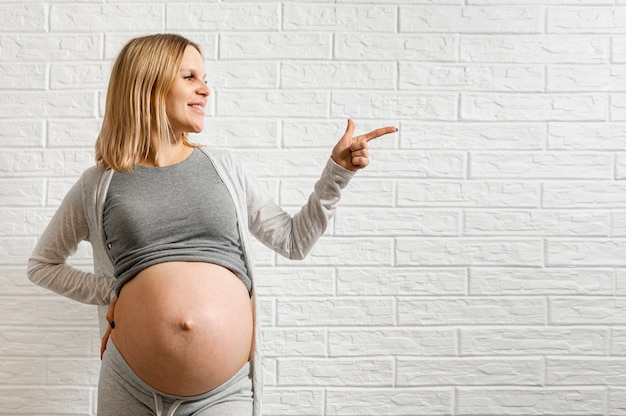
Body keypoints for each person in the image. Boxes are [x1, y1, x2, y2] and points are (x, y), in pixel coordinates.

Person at [27, 33, 397, 416]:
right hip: (128, 384)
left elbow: (293, 240)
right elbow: (43, 265)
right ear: (147, 83)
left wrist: (337, 173)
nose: (205, 90)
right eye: (190, 77)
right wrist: (111, 290)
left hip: (224, 392)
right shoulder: (99, 184)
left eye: (205, 79)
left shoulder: (223, 168)